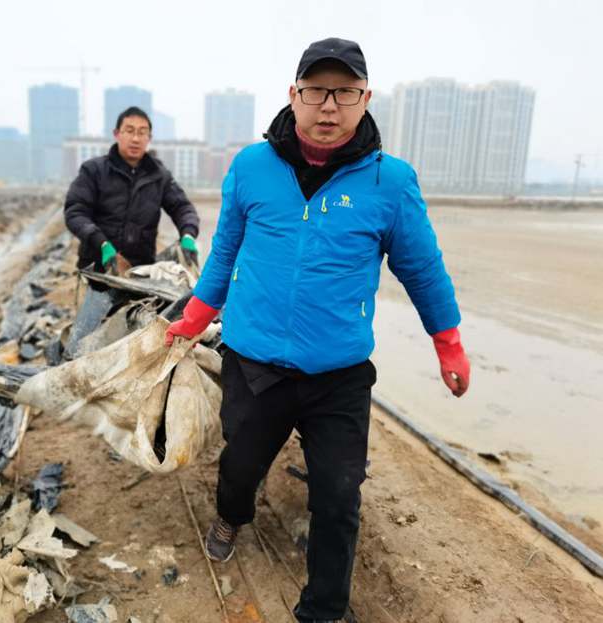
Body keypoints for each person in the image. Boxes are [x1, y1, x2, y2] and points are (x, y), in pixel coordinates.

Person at [166, 38, 470, 622]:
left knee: (338, 496)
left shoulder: (390, 182)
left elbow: (423, 269)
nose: (329, 105)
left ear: (365, 99)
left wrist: (448, 343)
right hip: (254, 363)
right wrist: (196, 317)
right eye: (316, 91)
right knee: (240, 469)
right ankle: (232, 515)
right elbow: (225, 251)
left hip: (339, 374)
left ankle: (324, 610)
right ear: (293, 95)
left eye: (345, 92)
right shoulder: (251, 167)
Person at [64, 106, 199, 275]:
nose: (136, 139)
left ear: (149, 138)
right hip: (97, 269)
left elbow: (182, 208)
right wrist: (102, 243)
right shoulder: (94, 170)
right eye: (129, 131)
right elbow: (75, 212)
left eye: (142, 133)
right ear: (117, 134)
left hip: (141, 271)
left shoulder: (159, 175)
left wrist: (188, 235)